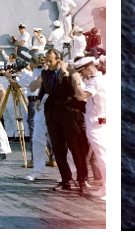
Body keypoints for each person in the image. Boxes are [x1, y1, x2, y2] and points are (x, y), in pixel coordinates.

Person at [43, 50, 90, 194]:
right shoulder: (46, 73)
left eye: (50, 60)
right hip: (53, 114)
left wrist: (64, 73)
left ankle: (82, 179)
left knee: (76, 148)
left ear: (59, 60)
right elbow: (48, 90)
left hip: (69, 114)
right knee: (58, 148)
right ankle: (66, 179)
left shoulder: (71, 72)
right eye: (46, 60)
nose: (47, 63)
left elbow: (73, 91)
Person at [75, 55, 109, 198]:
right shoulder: (104, 78)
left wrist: (76, 81)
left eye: (82, 72)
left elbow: (81, 96)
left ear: (88, 70)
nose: (82, 75)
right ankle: (106, 187)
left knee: (103, 157)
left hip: (96, 124)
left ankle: (108, 189)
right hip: (103, 121)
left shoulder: (94, 82)